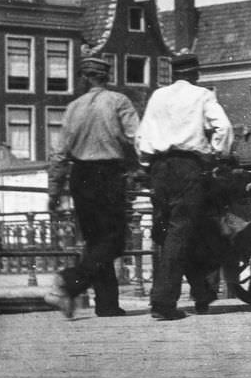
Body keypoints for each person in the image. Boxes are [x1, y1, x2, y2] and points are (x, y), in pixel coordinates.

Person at [135, 52, 235, 321]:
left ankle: (201, 291)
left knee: (168, 231)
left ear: (172, 73)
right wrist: (217, 155)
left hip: (158, 168)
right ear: (196, 73)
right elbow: (223, 128)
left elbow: (141, 136)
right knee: (182, 230)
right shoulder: (202, 95)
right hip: (188, 168)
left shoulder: (157, 96)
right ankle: (163, 302)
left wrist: (147, 164)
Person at [46, 55, 141, 319]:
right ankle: (69, 282)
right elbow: (138, 137)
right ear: (105, 77)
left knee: (95, 240)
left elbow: (58, 154)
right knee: (115, 240)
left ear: (84, 77)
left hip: (80, 175)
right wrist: (142, 166)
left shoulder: (72, 107)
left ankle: (107, 304)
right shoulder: (119, 101)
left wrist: (54, 191)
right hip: (109, 174)